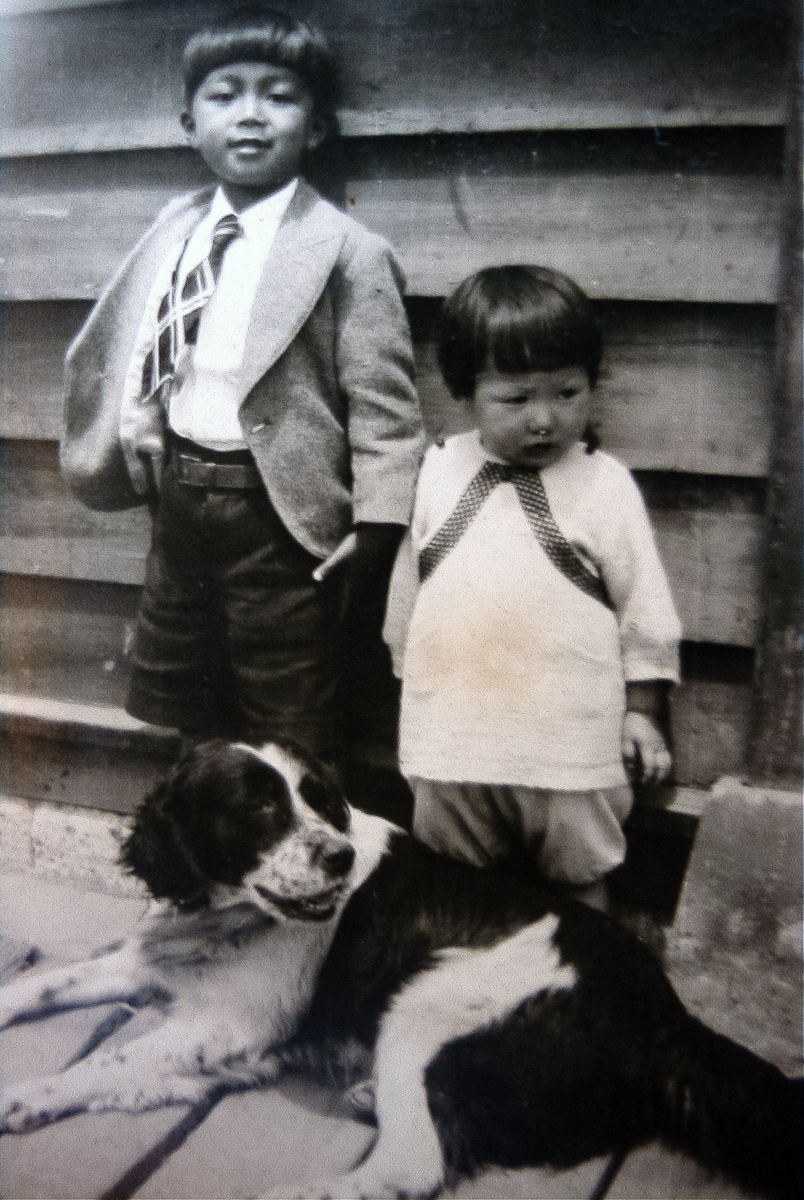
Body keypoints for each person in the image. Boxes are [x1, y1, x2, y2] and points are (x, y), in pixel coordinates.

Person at [60, 8, 424, 759]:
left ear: (317, 127)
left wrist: (377, 531)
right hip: (182, 506)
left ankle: (299, 861)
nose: (251, 115)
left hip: (282, 520)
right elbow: (135, 345)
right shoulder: (177, 231)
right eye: (226, 95)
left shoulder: (346, 252)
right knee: (189, 692)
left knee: (288, 706)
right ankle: (207, 855)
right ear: (189, 122)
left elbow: (387, 414)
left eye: (279, 96)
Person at [384, 265, 681, 906]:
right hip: (452, 741)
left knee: (580, 874)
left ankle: (587, 976)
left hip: (566, 746)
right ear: (467, 392)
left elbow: (644, 610)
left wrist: (644, 712)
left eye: (568, 393)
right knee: (452, 885)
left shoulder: (604, 486)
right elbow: (408, 588)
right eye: (516, 401)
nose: (545, 419)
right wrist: (410, 680)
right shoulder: (436, 471)